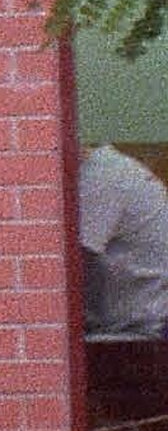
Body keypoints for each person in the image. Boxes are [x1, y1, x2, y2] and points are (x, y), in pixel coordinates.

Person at [82, 139, 168, 341]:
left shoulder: (101, 178)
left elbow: (60, 276)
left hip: (144, 332)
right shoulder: (108, 167)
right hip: (138, 322)